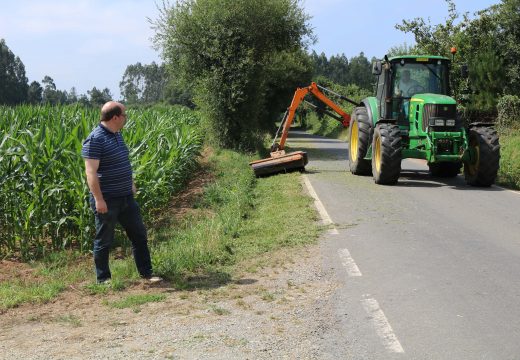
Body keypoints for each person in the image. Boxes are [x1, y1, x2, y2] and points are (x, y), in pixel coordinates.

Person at [81, 101, 161, 284]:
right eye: (125, 114)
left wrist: (130, 183)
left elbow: (123, 162)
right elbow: (91, 172)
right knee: (104, 240)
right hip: (108, 199)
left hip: (126, 197)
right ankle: (103, 279)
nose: (126, 118)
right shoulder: (96, 139)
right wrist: (98, 199)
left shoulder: (117, 135)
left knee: (139, 235)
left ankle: (146, 274)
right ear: (115, 117)